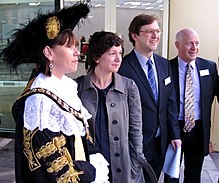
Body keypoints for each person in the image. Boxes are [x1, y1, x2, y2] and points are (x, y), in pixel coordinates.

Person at [0, 3, 109, 183]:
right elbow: (55, 167)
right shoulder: (40, 101)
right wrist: (90, 173)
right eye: (69, 47)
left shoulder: (65, 87)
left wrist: (95, 157)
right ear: (49, 52)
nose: (77, 52)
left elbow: (81, 136)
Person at [118, 14, 182, 182]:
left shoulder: (164, 64)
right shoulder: (123, 68)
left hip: (161, 143)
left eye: (157, 31)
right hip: (135, 146)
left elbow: (171, 103)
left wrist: (175, 135)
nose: (156, 36)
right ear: (135, 35)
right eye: (149, 32)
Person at [75, 31, 145, 183]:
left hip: (123, 166)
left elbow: (136, 131)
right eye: (112, 53)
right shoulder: (77, 87)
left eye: (120, 53)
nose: (119, 58)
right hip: (90, 167)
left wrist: (135, 164)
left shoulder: (129, 87)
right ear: (96, 57)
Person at [164, 28, 218, 183]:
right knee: (171, 174)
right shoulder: (166, 68)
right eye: (189, 44)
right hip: (174, 128)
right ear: (177, 45)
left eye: (197, 43)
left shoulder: (210, 67)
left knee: (194, 175)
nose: (194, 48)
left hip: (198, 129)